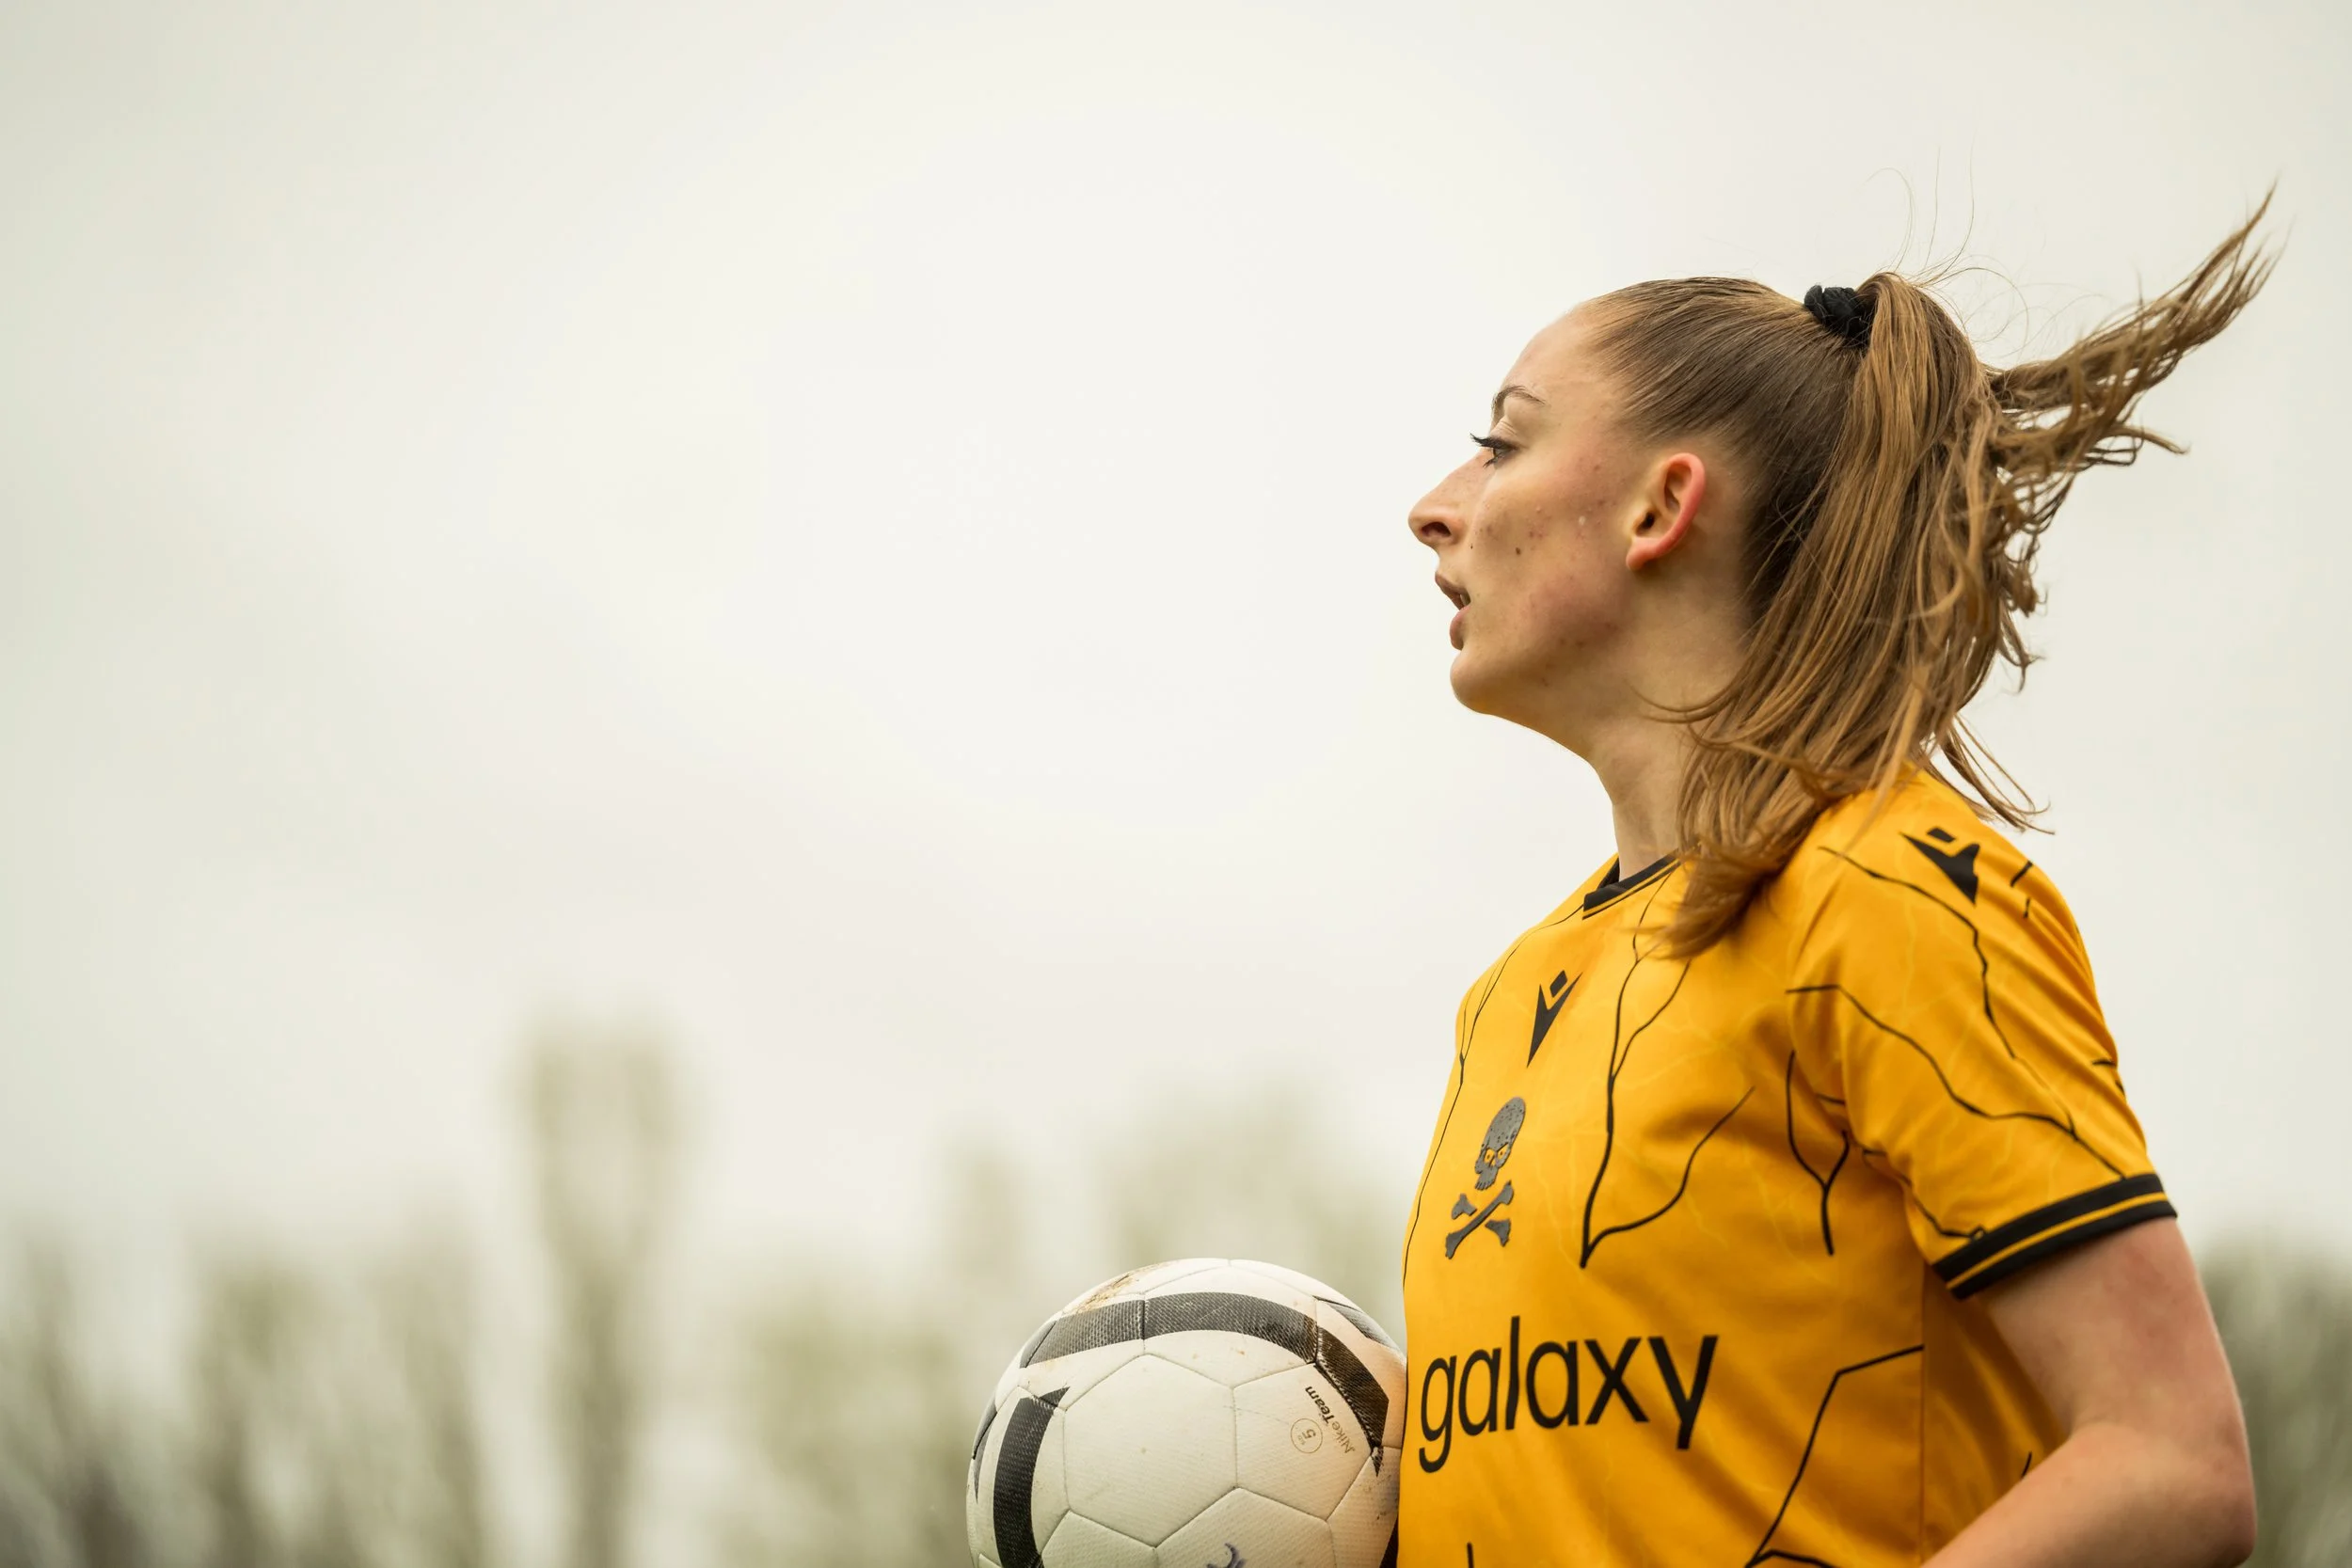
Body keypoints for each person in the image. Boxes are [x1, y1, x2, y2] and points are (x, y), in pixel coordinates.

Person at [1399, 206, 2273, 1566]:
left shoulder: (1889, 892)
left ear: (1660, 505)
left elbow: (2172, 1460)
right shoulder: (1509, 998)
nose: (1435, 505)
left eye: (1503, 441)